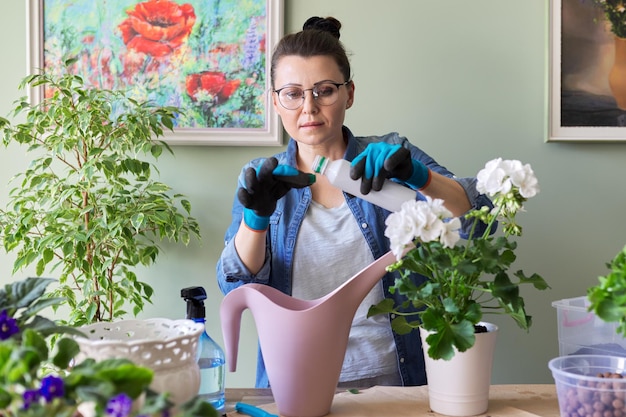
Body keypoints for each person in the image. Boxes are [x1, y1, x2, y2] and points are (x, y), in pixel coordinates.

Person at [216, 16, 493, 389]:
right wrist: (256, 219)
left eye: (324, 90)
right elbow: (237, 286)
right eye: (293, 93)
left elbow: (474, 221)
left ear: (349, 93)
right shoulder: (261, 177)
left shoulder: (393, 154)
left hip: (397, 382)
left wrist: (418, 176)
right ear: (276, 102)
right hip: (297, 384)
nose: (309, 108)